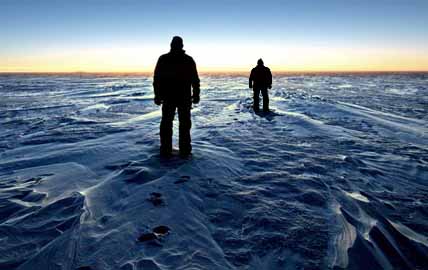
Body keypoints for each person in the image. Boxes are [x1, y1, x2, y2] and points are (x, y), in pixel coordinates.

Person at [153, 36, 200, 157]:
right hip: (177, 98)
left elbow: (195, 80)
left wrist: (196, 94)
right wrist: (195, 95)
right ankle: (178, 150)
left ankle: (170, 150)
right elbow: (157, 79)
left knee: (172, 124)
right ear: (182, 46)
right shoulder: (186, 59)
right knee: (174, 124)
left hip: (176, 98)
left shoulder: (165, 59)